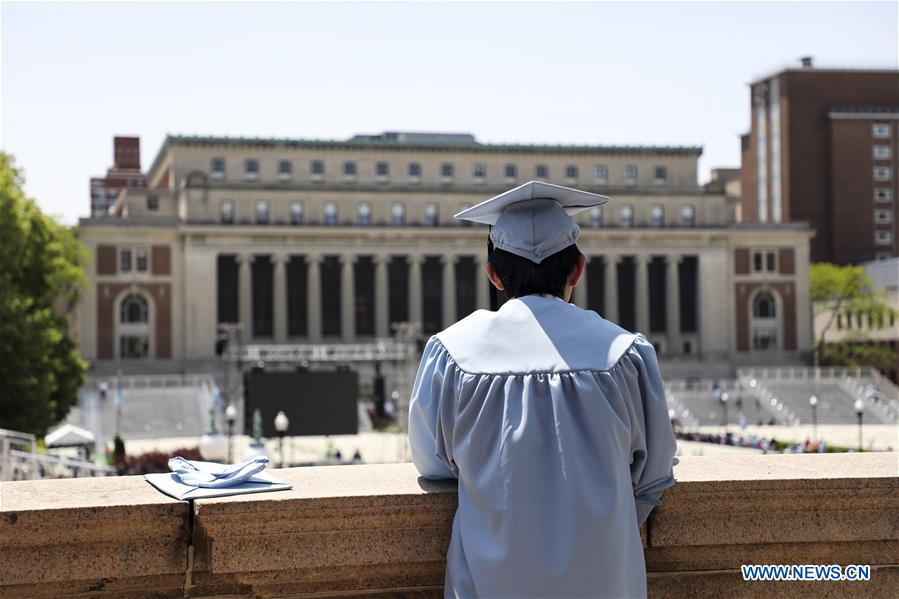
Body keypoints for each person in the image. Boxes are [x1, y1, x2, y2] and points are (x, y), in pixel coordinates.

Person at [408, 181, 678, 598]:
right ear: (577, 269)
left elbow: (433, 466)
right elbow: (655, 474)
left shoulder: (452, 354)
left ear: (494, 274)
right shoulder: (626, 354)